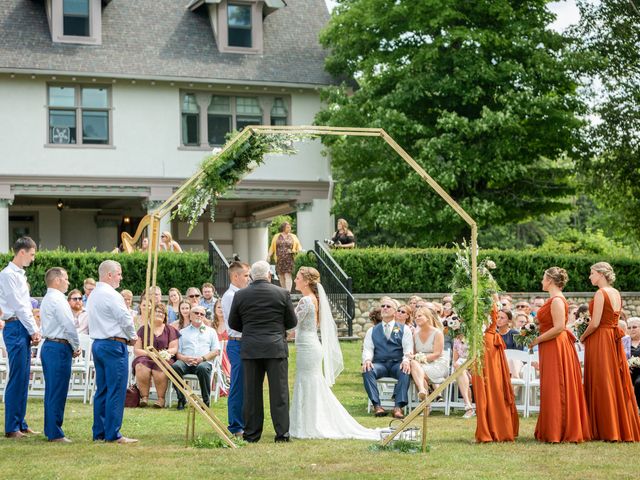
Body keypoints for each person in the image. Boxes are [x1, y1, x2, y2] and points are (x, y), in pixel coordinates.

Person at [290, 267, 379, 440]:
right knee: (310, 382)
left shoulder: (306, 301)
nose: (295, 280)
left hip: (308, 347)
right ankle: (308, 421)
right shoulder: (313, 299)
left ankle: (310, 424)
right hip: (309, 345)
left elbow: (292, 323)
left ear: (306, 281)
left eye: (298, 277)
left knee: (309, 382)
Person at [228, 261, 297, 443]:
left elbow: (233, 323)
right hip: (275, 347)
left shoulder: (241, 295)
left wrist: (250, 329)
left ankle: (252, 434)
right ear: (269, 275)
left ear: (252, 276)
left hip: (251, 348)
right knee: (279, 393)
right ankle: (282, 434)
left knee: (251, 393)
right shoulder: (282, 293)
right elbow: (291, 321)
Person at [580, 262, 640, 441]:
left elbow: (596, 322)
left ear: (600, 274)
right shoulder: (616, 293)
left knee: (601, 380)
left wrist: (583, 336)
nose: (590, 277)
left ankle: (605, 427)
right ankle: (618, 425)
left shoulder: (601, 293)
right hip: (613, 338)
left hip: (601, 339)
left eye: (591, 273)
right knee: (613, 379)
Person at [530, 267, 590, 443]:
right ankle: (551, 428)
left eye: (543, 278)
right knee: (550, 385)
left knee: (557, 385)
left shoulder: (557, 300)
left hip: (556, 345)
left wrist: (537, 340)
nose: (541, 281)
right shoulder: (553, 300)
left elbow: (558, 328)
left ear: (549, 280)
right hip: (550, 344)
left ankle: (558, 430)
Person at [86, 260, 138, 444]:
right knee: (116, 389)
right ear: (109, 275)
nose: (121, 277)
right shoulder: (112, 295)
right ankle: (113, 434)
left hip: (99, 344)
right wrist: (133, 337)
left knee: (103, 389)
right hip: (114, 345)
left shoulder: (93, 295)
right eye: (119, 273)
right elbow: (125, 319)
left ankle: (99, 432)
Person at [0, 237, 41, 439]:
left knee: (25, 376)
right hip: (15, 326)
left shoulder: (19, 275)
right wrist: (33, 329)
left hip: (21, 325)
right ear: (22, 252)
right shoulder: (8, 275)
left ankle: (20, 422)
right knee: (17, 376)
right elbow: (19, 306)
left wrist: (31, 328)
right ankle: (11, 427)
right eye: (32, 254)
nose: (33, 259)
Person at [40, 267, 81, 442]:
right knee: (57, 390)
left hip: (50, 346)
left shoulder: (48, 298)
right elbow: (69, 325)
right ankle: (55, 432)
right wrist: (76, 345)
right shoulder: (58, 299)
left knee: (52, 390)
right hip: (58, 347)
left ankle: (51, 428)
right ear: (57, 280)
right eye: (65, 278)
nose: (68, 282)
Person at [472, 301, 519, 442]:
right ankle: (494, 427)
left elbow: (482, 325)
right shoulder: (486, 301)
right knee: (488, 386)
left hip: (486, 344)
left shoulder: (484, 302)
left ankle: (492, 429)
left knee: (489, 386)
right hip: (486, 342)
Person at [362, 296, 413, 419]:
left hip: (397, 364)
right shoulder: (372, 330)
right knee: (367, 369)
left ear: (395, 312)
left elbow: (408, 348)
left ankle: (398, 407)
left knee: (405, 370)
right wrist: (367, 360)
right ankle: (377, 406)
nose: (384, 308)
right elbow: (368, 348)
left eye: (388, 306)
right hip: (380, 365)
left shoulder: (404, 329)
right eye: (383, 306)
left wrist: (406, 360)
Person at [221, 261, 251, 437]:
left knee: (246, 384)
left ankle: (244, 421)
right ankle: (235, 425)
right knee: (238, 384)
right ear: (235, 276)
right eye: (246, 275)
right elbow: (237, 322)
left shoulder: (240, 294)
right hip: (236, 342)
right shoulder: (231, 296)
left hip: (244, 342)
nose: (248, 279)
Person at [171, 305, 220, 409]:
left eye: (202, 314)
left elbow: (216, 351)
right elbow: (178, 353)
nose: (199, 315)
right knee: (175, 367)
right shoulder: (183, 332)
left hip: (203, 361)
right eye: (196, 313)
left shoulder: (211, 331)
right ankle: (181, 399)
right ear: (190, 316)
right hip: (186, 362)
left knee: (202, 368)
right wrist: (185, 359)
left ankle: (205, 402)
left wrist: (202, 358)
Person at [132, 303, 179, 408]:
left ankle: (161, 399)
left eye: (161, 312)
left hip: (164, 358)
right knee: (141, 365)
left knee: (160, 367)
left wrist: (163, 354)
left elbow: (174, 348)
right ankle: (144, 397)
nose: (159, 314)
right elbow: (137, 349)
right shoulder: (143, 329)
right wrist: (151, 354)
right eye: (156, 311)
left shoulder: (170, 330)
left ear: (165, 316)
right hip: (146, 356)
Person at [410, 307, 449, 401]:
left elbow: (437, 354)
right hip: (421, 366)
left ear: (427, 317)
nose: (417, 318)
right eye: (415, 317)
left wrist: (419, 358)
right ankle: (423, 392)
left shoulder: (437, 333)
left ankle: (424, 400)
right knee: (414, 365)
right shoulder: (415, 334)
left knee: (417, 371)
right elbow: (413, 353)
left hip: (437, 365)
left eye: (420, 316)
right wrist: (413, 357)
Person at [267, 221, 302, 292]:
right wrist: (268, 256)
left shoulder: (293, 236)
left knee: (287, 275)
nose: (289, 228)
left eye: (290, 227)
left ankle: (288, 292)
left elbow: (299, 248)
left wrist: (293, 251)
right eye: (288, 227)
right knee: (281, 276)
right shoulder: (276, 236)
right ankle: (284, 291)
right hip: (279, 259)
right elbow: (272, 247)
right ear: (283, 228)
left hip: (289, 259)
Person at [628, 317, 640, 410]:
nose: (631, 330)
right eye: (629, 328)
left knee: (638, 383)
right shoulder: (624, 343)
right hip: (627, 372)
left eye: (634, 327)